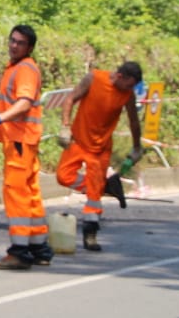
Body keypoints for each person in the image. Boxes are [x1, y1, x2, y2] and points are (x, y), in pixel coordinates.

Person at [0, 25, 53, 270]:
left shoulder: (26, 68)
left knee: (16, 192)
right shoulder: (15, 68)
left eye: (20, 43)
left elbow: (24, 102)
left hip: (20, 139)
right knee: (30, 192)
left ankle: (19, 252)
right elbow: (9, 91)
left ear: (29, 47)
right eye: (12, 40)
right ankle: (39, 247)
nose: (14, 45)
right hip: (23, 141)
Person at [55, 61, 146, 251]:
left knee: (94, 198)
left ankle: (91, 233)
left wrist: (137, 147)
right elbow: (70, 98)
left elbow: (133, 122)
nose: (130, 90)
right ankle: (105, 185)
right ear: (120, 76)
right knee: (63, 176)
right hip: (78, 141)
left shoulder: (127, 95)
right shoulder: (94, 78)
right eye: (129, 85)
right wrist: (65, 126)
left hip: (101, 149)